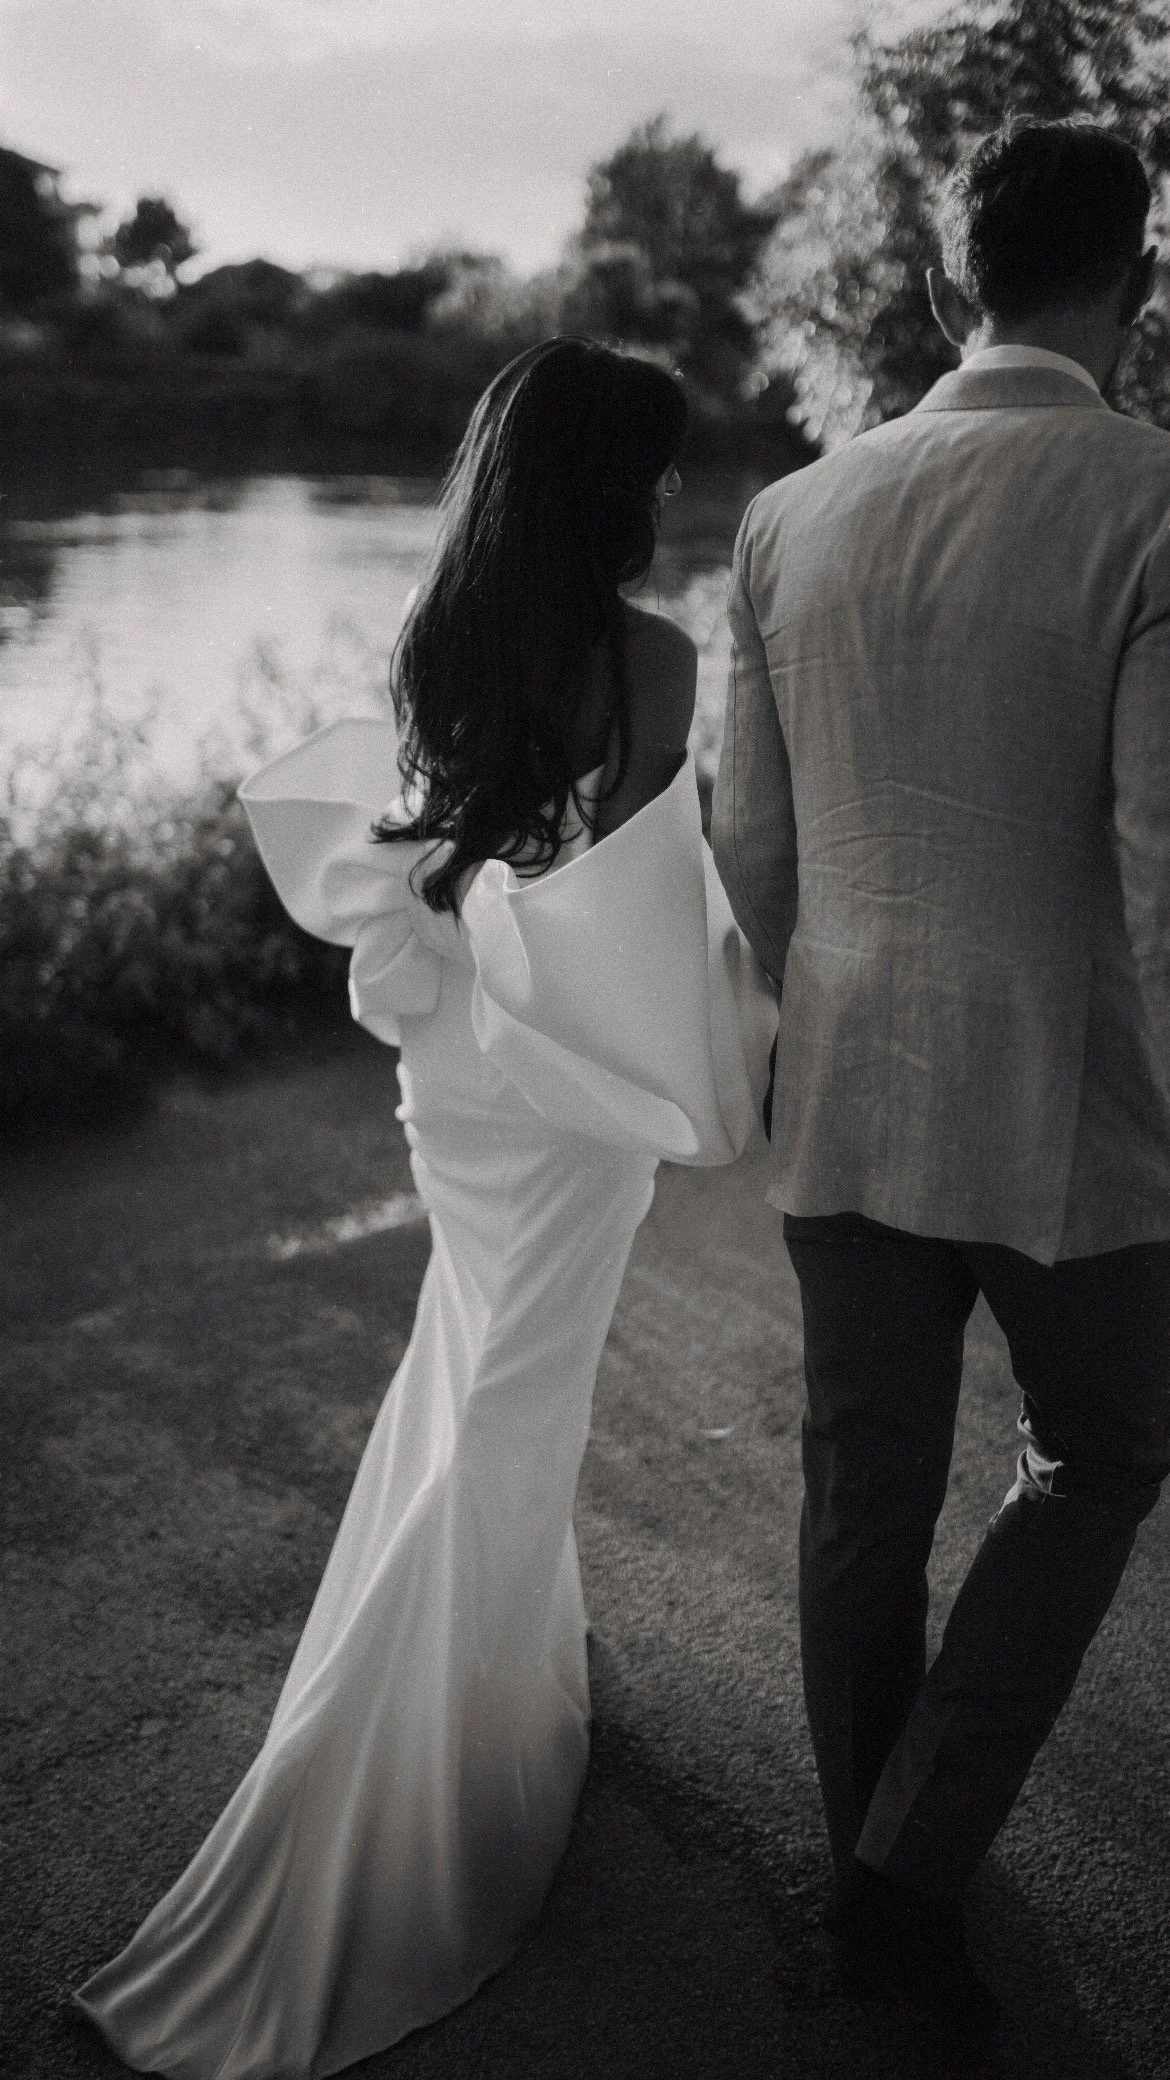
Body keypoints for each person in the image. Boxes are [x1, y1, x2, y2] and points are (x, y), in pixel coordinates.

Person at [73, 338, 776, 2079]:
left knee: (472, 1370)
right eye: (661, 468)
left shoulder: (437, 639)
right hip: (557, 1076)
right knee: (506, 1402)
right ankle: (420, 1774)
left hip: (453, 1059)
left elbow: (465, 853)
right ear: (611, 488)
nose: (678, 493)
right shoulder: (656, 659)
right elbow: (627, 911)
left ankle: (514, 1682)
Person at [712, 119, 1170, 2036]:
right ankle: (901, 1876)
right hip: (1063, 1118)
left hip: (843, 1091)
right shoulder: (1149, 495)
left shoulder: (788, 513)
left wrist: (810, 1017)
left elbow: (749, 846)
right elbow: (1159, 854)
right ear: (1136, 282)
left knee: (859, 1498)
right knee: (1108, 1450)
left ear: (937, 285)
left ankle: (867, 1888)